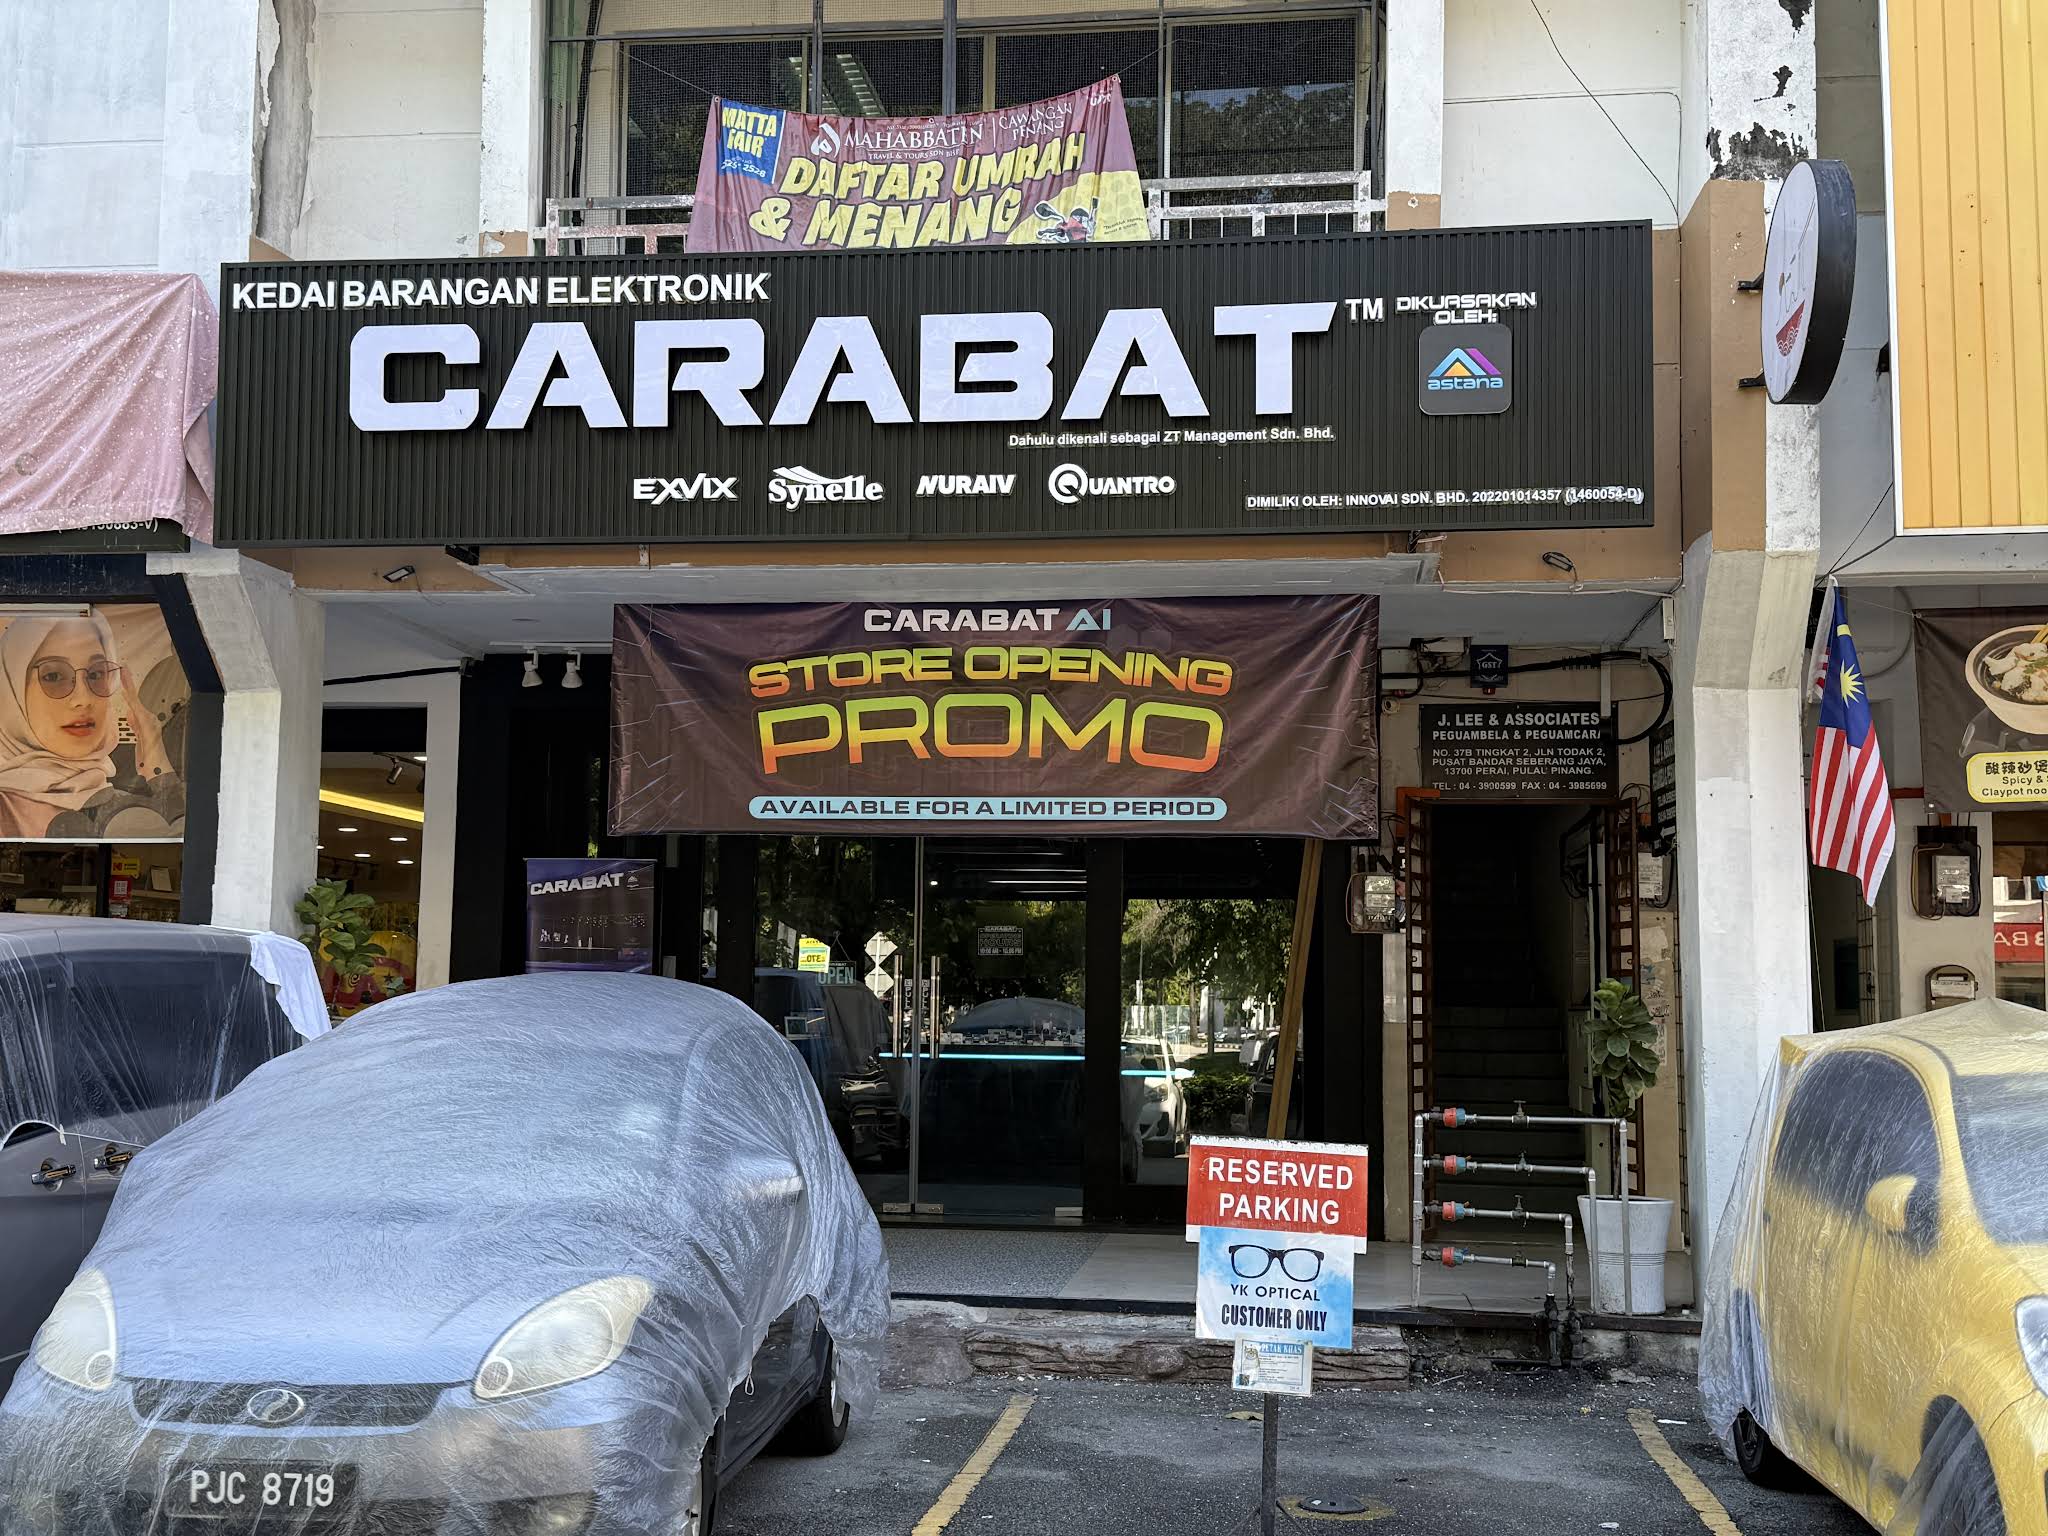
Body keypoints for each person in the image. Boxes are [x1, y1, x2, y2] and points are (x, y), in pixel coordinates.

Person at [0, 612, 138, 838]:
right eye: (53, 676)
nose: (83, 699)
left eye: (96, 674)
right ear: (12, 694)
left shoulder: (132, 812)